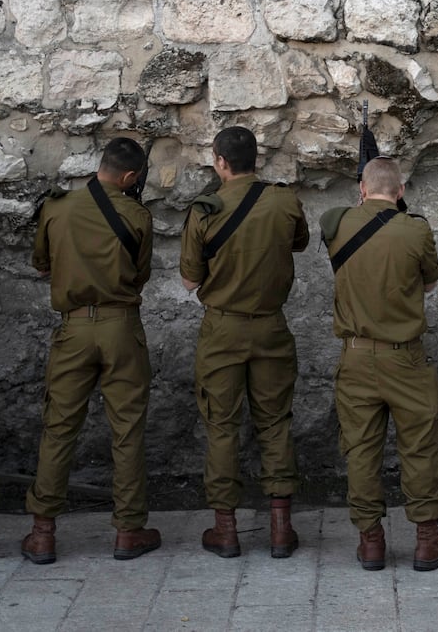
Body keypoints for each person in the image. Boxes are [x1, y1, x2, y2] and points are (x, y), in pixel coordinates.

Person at [20, 138, 159, 563]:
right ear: (131, 178)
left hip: (74, 329)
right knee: (127, 430)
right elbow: (139, 277)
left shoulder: (56, 208)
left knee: (59, 428)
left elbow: (41, 264)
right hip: (120, 327)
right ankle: (128, 530)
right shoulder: (137, 215)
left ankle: (43, 533)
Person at [320, 156, 438, 572]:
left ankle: (371, 542)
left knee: (361, 451)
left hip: (357, 356)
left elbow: (343, 221)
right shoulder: (414, 228)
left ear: (361, 189)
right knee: (419, 448)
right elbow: (430, 282)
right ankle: (427, 541)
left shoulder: (336, 224)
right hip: (405, 359)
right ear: (400, 193)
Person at [180, 126, 310, 559]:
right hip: (271, 326)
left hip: (222, 330)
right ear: (256, 159)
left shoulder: (205, 210)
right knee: (275, 423)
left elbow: (188, 279)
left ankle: (226, 529)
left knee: (222, 426)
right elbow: (300, 243)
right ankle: (279, 528)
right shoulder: (284, 200)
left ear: (219, 161)